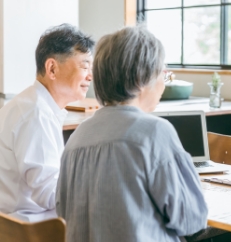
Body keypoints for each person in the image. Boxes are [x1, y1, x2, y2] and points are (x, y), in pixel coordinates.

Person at [55, 25, 208, 242]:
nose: (164, 82)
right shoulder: (155, 132)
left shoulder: (77, 137)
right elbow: (192, 219)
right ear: (141, 78)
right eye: (162, 72)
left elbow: (61, 211)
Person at [0, 23, 94, 222]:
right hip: (30, 226)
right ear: (52, 68)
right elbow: (51, 195)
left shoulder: (32, 104)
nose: (90, 76)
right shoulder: (36, 114)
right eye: (84, 66)